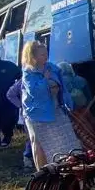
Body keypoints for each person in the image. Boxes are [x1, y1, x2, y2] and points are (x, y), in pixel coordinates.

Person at [19, 41, 81, 169]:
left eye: (46, 53)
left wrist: (67, 102)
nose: (45, 56)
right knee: (39, 144)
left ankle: (65, 167)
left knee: (65, 140)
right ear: (33, 56)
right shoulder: (28, 72)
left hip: (55, 108)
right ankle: (42, 172)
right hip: (37, 114)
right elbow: (34, 92)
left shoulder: (52, 68)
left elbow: (63, 88)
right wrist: (45, 80)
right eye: (42, 54)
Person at [57, 62, 95, 159]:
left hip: (71, 113)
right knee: (90, 131)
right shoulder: (81, 80)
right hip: (84, 111)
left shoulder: (60, 82)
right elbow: (89, 97)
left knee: (78, 135)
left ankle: (82, 155)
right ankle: (94, 153)